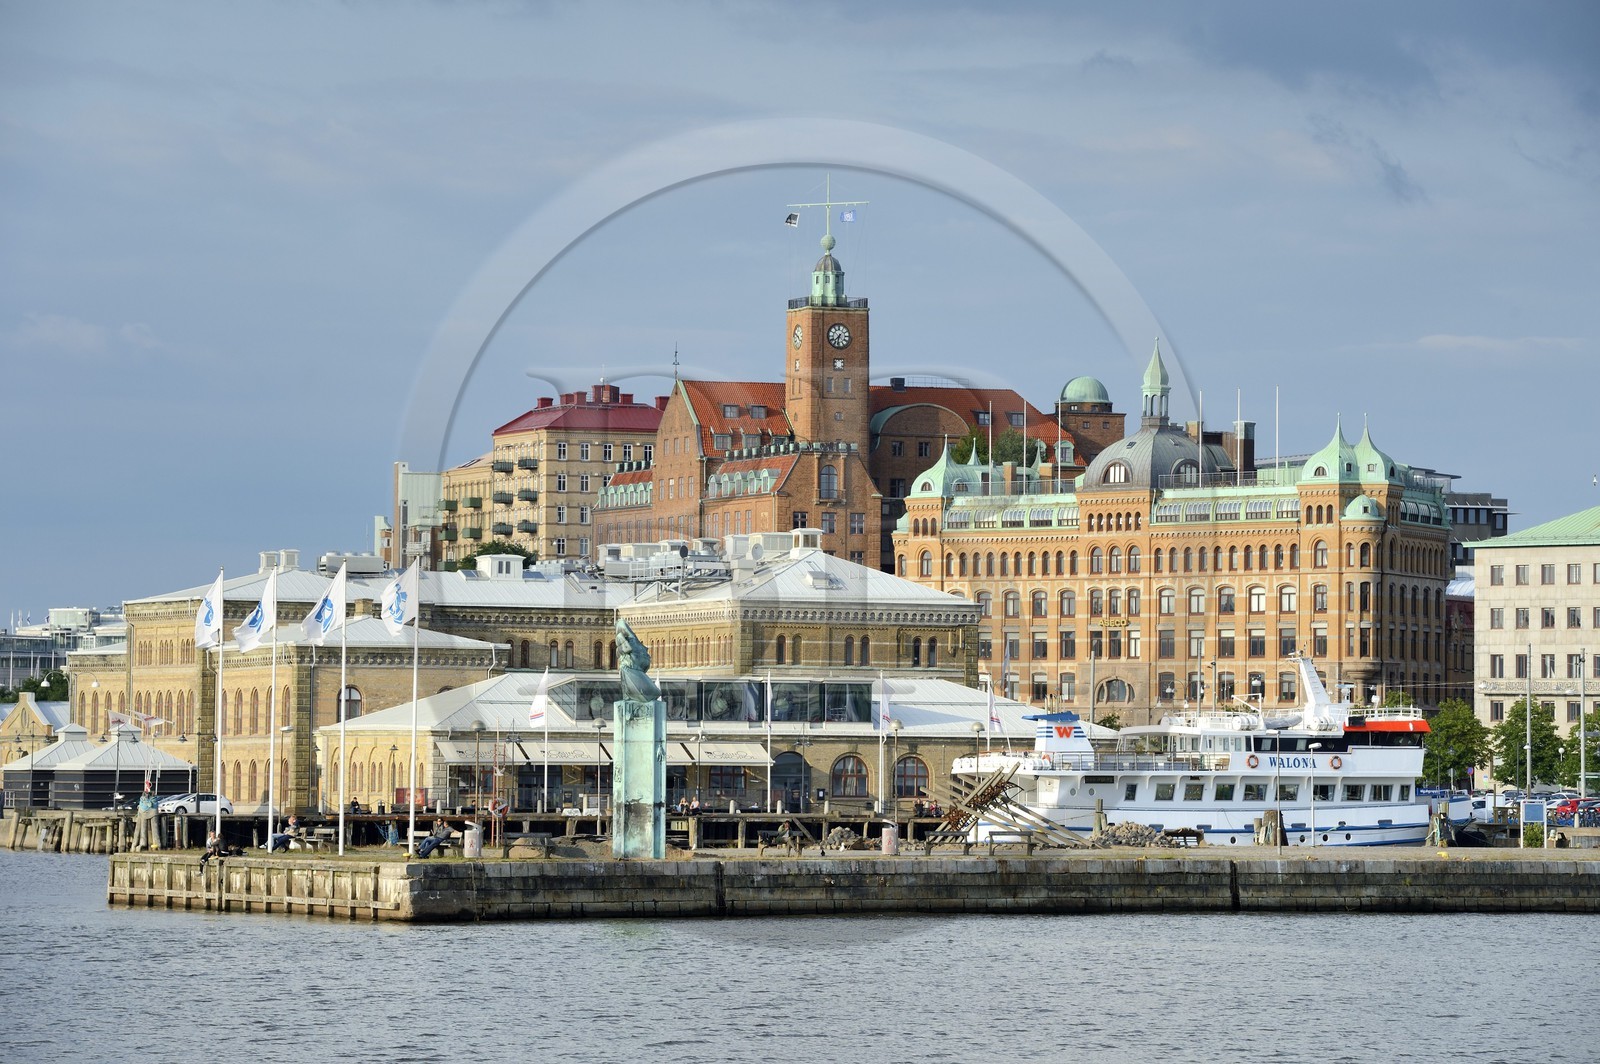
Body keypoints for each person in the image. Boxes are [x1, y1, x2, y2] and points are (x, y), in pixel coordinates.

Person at [132, 781, 159, 851]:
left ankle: (156, 845)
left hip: (147, 812)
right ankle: (143, 843)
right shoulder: (147, 800)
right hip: (146, 812)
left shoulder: (151, 800)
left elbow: (151, 802)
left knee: (153, 828)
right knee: (145, 829)